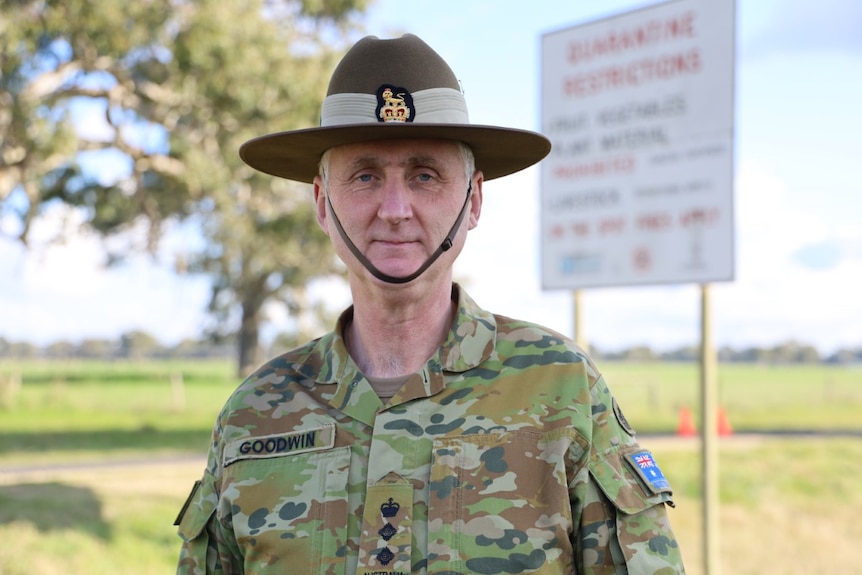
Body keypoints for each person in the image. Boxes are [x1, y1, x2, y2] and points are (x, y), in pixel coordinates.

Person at [175, 34, 686, 575]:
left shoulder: (562, 390)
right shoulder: (253, 417)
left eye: (425, 175)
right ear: (324, 204)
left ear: (475, 201)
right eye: (366, 175)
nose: (395, 209)